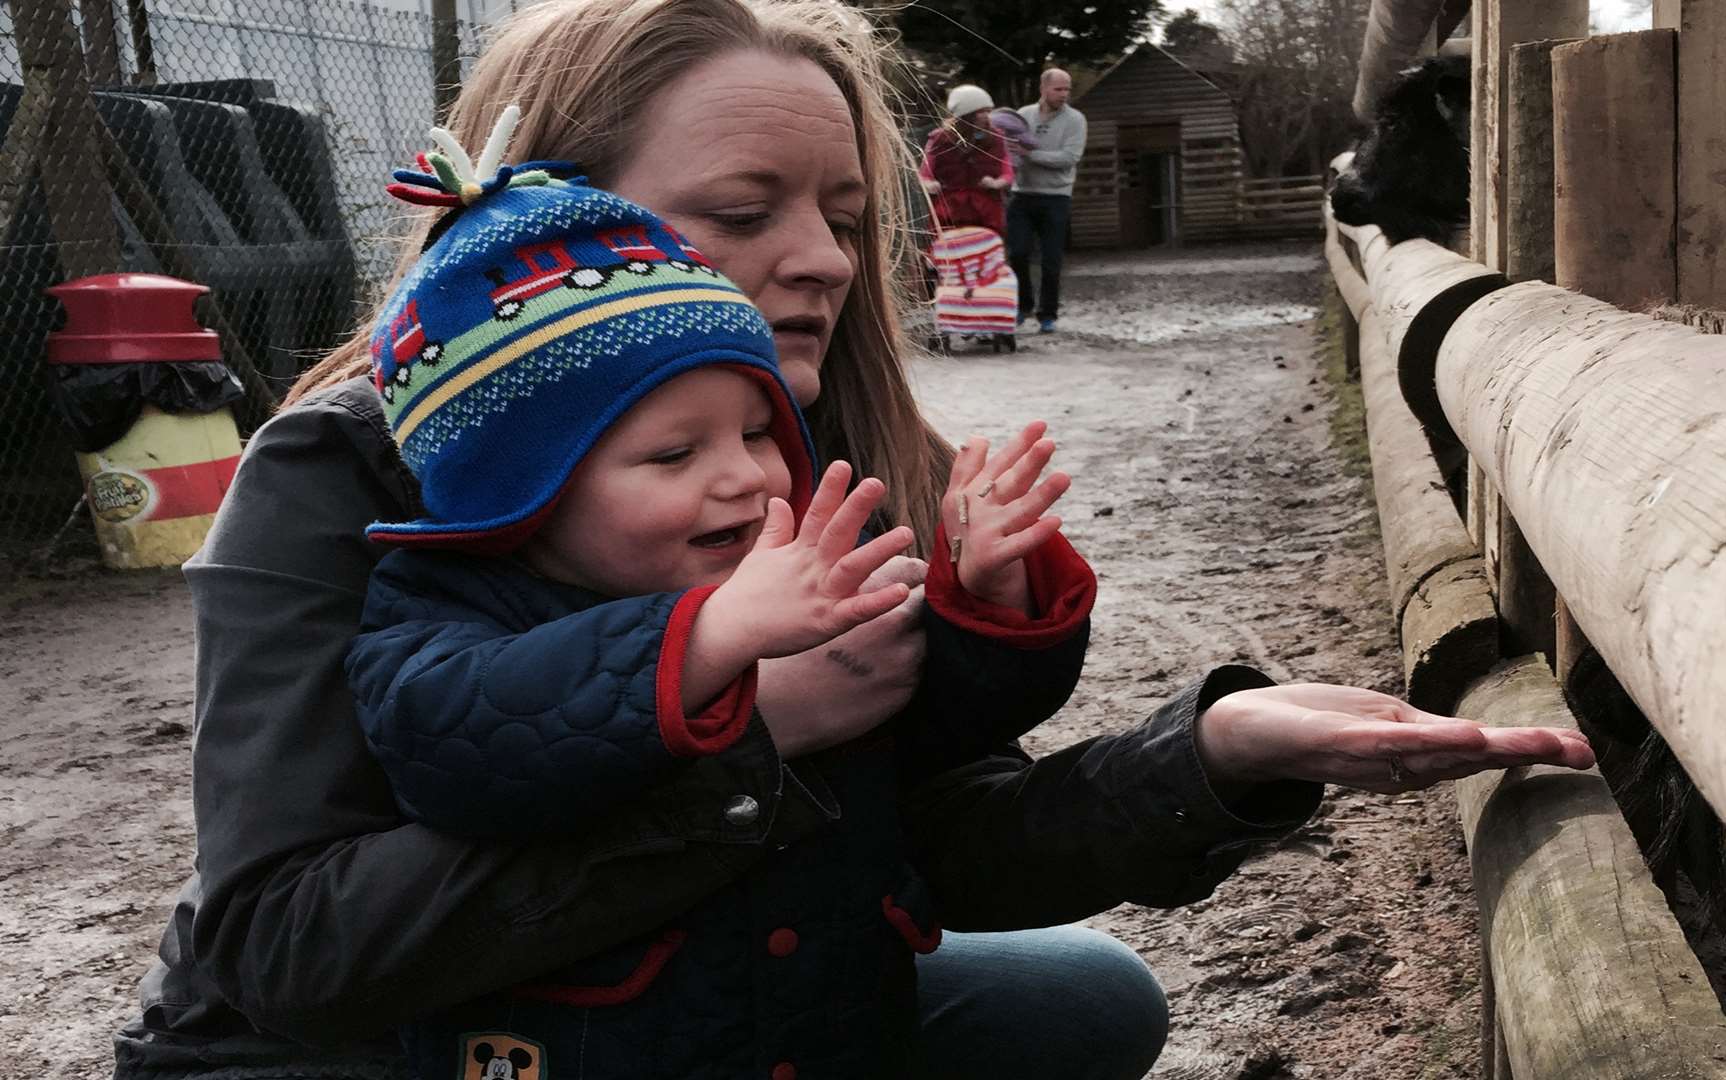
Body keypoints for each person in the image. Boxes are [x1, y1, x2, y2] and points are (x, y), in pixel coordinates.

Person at [110, 2, 1595, 1079]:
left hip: (674, 992)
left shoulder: (800, 462)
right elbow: (288, 948)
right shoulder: (337, 473)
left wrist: (1210, 763)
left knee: (1088, 1003)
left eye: (838, 211)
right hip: (367, 1048)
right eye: (744, 210)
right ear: (542, 233)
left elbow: (923, 837)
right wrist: (744, 742)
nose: (825, 257)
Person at [345, 129, 1091, 1076]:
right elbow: (453, 740)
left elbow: (942, 723)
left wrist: (987, 599)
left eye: (756, 429)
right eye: (672, 454)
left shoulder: (782, 558)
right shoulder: (446, 601)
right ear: (517, 490)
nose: (745, 475)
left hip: (827, 1022)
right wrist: (712, 641)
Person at [1009, 68, 1087, 333]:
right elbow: (1012, 150)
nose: (1064, 94)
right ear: (1043, 88)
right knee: (1017, 253)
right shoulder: (1023, 115)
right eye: (1059, 89)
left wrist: (1031, 154)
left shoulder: (1075, 120)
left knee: (1051, 259)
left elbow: (1068, 158)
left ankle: (1048, 315)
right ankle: (1023, 306)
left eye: (1067, 89)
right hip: (1022, 194)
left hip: (1056, 197)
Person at [921, 84, 1013, 235]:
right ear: (966, 114)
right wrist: (930, 184)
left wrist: (996, 183)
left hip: (986, 211)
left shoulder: (996, 138)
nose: (986, 116)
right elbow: (925, 173)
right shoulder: (939, 139)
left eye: (987, 111)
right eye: (980, 112)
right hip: (950, 212)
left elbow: (1007, 173)